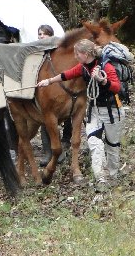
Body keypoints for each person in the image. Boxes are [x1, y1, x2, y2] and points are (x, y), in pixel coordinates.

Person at [36, 38, 125, 185]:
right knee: (94, 141)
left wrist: (103, 81)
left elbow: (116, 88)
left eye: (77, 54)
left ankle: (113, 175)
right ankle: (101, 177)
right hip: (95, 110)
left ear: (85, 54)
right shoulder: (83, 67)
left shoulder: (106, 67)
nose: (75, 57)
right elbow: (67, 74)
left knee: (112, 145)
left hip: (111, 110)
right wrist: (49, 81)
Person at [36, 24, 72, 167]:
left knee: (66, 117)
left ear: (50, 35)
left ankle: (63, 145)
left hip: (59, 88)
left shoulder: (59, 51)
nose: (40, 37)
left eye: (43, 34)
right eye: (39, 34)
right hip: (43, 89)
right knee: (46, 121)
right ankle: (48, 152)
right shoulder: (37, 51)